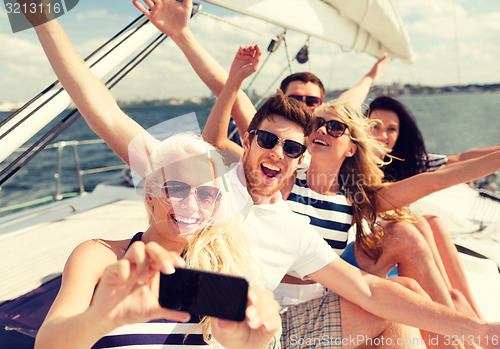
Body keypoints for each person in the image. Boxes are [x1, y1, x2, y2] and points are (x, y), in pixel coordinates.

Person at [31, 2, 500, 349]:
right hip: (213, 319)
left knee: (394, 305)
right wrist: (40, 16)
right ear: (248, 140)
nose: (278, 152)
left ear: (302, 158)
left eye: (293, 147)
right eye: (268, 140)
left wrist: (479, 329)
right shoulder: (204, 186)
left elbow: (368, 289)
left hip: (262, 326)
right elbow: (102, 111)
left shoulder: (292, 226)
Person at [22, 7, 282, 349]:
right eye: (176, 188)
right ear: (150, 193)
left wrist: (252, 342)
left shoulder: (220, 269)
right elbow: (101, 111)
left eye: (206, 195)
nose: (190, 204)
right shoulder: (101, 259)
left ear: (219, 202)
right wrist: (102, 318)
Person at [364, 95, 500, 317]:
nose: (383, 135)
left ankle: (466, 308)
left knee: (433, 221)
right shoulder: (349, 160)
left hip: (391, 228)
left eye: (392, 129)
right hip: (368, 231)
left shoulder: (405, 163)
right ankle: (455, 311)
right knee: (417, 221)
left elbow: (459, 160)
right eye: (375, 127)